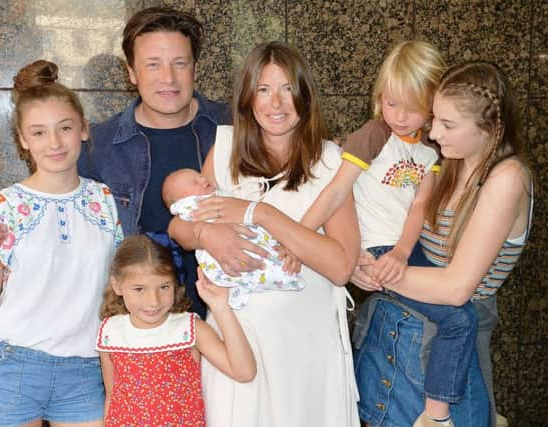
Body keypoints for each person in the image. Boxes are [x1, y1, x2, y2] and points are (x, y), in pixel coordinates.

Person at [0, 6, 238, 318]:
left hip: (234, 319)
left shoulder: (236, 129)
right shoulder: (98, 146)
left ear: (195, 68)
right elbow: (44, 204)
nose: (168, 78)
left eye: (180, 63)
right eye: (153, 65)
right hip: (138, 335)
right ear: (131, 73)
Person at [169, 41, 360, 427]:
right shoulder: (223, 151)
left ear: (305, 96)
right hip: (238, 342)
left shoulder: (330, 161)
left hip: (307, 345)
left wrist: (262, 214)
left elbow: (341, 267)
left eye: (288, 88)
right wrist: (206, 235)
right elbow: (179, 225)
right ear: (247, 98)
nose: (277, 103)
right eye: (264, 89)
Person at [301, 40, 476, 427]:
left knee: (463, 316)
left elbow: (418, 207)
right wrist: (299, 236)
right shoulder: (374, 135)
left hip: (403, 251)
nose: (399, 116)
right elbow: (336, 191)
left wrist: (402, 251)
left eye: (413, 108)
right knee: (460, 320)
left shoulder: (432, 151)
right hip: (375, 252)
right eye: (390, 102)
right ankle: (437, 417)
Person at [352, 61, 533, 427]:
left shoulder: (507, 177)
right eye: (434, 119)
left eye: (448, 125)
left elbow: (456, 288)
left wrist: (373, 270)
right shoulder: (449, 163)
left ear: (490, 128)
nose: (434, 132)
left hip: (450, 352)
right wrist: (357, 259)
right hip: (398, 333)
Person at [0, 60, 123, 427]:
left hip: (85, 372)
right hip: (13, 371)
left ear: (83, 128)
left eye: (64, 128)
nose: (54, 143)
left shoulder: (107, 201)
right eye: (39, 132)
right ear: (22, 140)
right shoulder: (1, 208)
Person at [97, 235, 255, 426]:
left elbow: (244, 372)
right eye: (139, 289)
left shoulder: (189, 329)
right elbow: (112, 399)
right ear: (117, 286)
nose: (153, 301)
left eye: (164, 287)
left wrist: (221, 307)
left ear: (175, 284)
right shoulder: (110, 332)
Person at [162, 168, 304, 309]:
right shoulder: (190, 207)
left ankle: (276, 275)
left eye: (200, 177)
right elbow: (174, 227)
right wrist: (203, 232)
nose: (204, 180)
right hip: (228, 257)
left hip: (259, 239)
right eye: (194, 182)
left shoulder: (220, 195)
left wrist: (285, 242)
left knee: (267, 256)